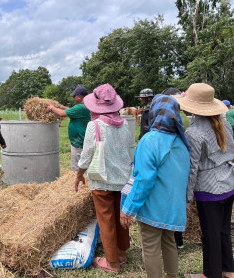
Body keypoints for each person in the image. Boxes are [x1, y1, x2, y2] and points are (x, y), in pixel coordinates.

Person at [120, 94, 190, 278]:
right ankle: (172, 275)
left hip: (152, 208)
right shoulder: (182, 142)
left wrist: (128, 208)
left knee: (150, 248)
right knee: (169, 242)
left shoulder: (149, 140)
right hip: (173, 207)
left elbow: (143, 180)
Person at [175, 83, 234, 278]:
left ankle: (211, 274)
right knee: (224, 231)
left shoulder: (193, 132)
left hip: (209, 189)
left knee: (210, 235)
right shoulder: (223, 121)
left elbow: (192, 169)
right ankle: (228, 270)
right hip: (229, 182)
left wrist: (187, 198)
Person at [74, 83, 131, 274]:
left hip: (102, 181)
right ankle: (122, 254)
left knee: (106, 220)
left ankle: (112, 263)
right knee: (119, 217)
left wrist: (79, 174)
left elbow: (87, 154)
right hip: (122, 180)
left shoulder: (95, 125)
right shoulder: (125, 125)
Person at [162, 87, 190, 249]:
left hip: (169, 165)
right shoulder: (184, 117)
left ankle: (171, 240)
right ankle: (179, 240)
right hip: (183, 165)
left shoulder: (167, 118)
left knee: (168, 203)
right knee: (178, 203)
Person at [47, 86, 91, 171]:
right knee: (84, 166)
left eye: (74, 96)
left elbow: (61, 113)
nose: (74, 98)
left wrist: (52, 107)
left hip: (79, 142)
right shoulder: (85, 106)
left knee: (77, 168)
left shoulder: (80, 107)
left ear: (79, 96)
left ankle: (80, 181)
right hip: (83, 140)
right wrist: (61, 106)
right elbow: (70, 110)